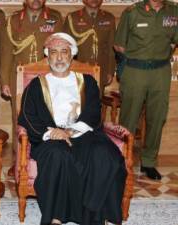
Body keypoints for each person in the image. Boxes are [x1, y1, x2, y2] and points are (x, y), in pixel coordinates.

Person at [18, 33, 126, 225]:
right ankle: (56, 217)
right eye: (54, 52)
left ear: (71, 55)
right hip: (50, 137)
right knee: (58, 155)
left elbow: (94, 111)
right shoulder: (36, 85)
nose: (59, 57)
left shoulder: (87, 82)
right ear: (47, 56)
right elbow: (27, 115)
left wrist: (70, 131)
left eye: (64, 52)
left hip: (82, 132)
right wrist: (54, 132)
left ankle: (94, 214)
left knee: (104, 154)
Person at [114, 0, 178, 180]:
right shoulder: (132, 12)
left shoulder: (174, 11)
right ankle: (121, 159)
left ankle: (149, 162)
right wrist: (138, 59)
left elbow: (174, 41)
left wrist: (159, 56)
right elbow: (119, 45)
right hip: (135, 71)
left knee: (157, 117)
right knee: (129, 117)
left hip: (160, 72)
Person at [0, 0, 63, 176]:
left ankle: (44, 158)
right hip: (19, 77)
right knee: (18, 119)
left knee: (48, 118)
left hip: (47, 77)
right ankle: (17, 161)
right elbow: (6, 52)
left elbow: (61, 51)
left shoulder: (55, 19)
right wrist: (5, 81)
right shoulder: (13, 20)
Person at [63, 0, 115, 94]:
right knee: (75, 104)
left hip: (99, 70)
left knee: (95, 104)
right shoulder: (72, 18)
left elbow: (111, 47)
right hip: (77, 70)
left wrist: (110, 71)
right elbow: (65, 47)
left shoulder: (109, 18)